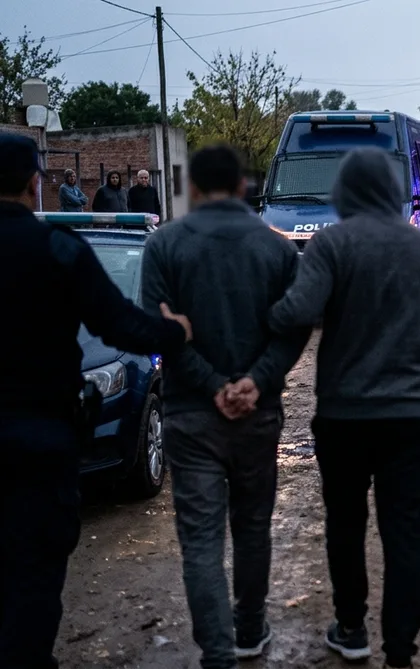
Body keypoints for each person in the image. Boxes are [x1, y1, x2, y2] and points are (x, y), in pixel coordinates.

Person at [0, 132, 192, 669]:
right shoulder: (59, 250)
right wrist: (175, 332)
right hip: (40, 447)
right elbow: (122, 326)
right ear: (34, 182)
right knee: (34, 580)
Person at [260, 146, 420, 669]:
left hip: (344, 417)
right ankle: (400, 652)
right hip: (411, 417)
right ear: (393, 190)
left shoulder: (331, 244)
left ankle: (350, 629)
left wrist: (265, 310)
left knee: (345, 524)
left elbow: (298, 311)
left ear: (344, 191)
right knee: (405, 533)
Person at [140, 144, 310, 669]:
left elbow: (159, 330)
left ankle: (218, 655)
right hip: (257, 416)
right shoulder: (277, 249)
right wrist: (255, 382)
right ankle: (250, 629)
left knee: (201, 542)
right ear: (241, 187)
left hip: (191, 416)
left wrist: (213, 385)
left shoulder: (164, 245)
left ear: (191, 188)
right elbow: (295, 326)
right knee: (253, 528)